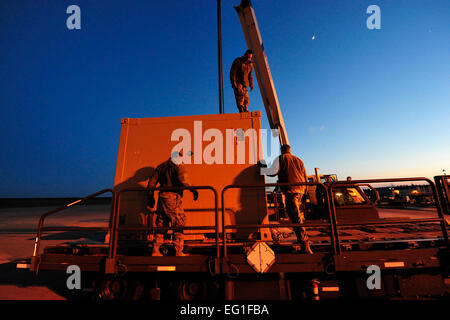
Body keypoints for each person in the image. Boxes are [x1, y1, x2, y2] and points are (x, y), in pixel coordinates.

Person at [263, 145, 313, 254]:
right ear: (290, 150)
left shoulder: (281, 158)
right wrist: (305, 192)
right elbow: (305, 176)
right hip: (301, 190)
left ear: (281, 151)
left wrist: (262, 167)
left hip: (291, 191)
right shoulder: (299, 160)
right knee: (296, 216)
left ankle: (305, 245)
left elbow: (272, 172)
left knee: (295, 218)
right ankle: (304, 242)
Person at [147, 151, 199, 256]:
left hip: (161, 198)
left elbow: (151, 183)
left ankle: (155, 250)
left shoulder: (161, 167)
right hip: (173, 198)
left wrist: (150, 197)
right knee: (178, 221)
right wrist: (193, 189)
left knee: (161, 223)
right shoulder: (178, 166)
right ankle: (178, 251)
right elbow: (183, 179)